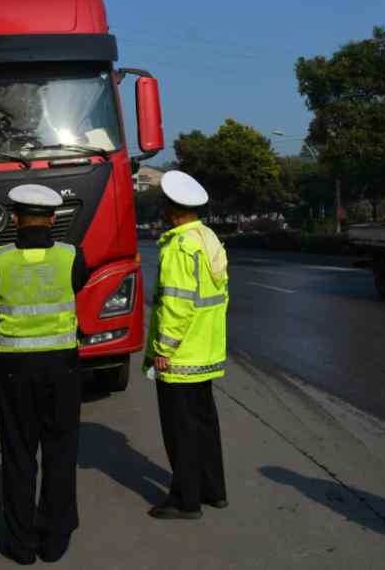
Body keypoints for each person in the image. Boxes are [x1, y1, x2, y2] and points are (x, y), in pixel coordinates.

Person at [0, 183, 89, 564]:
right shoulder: (72, 257)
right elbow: (78, 284)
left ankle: (21, 546)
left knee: (18, 454)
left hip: (14, 371)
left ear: (14, 219)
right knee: (61, 451)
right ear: (53, 218)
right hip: (62, 368)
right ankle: (55, 542)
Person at [143, 170, 229, 520]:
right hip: (206, 351)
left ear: (172, 209)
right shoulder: (208, 238)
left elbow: (177, 304)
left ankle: (185, 500)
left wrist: (163, 349)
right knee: (204, 422)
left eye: (164, 203)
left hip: (180, 356)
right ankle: (214, 491)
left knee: (181, 430)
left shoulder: (180, 246)